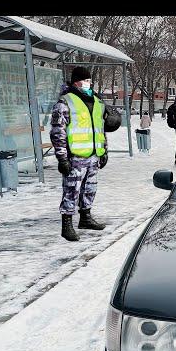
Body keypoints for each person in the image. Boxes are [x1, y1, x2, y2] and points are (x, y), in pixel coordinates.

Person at [50, 66, 111, 241]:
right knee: (71, 190)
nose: (88, 83)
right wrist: (62, 158)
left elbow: (100, 129)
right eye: (85, 80)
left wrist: (104, 150)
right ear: (76, 81)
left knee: (90, 188)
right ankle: (66, 224)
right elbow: (57, 132)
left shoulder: (96, 102)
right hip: (75, 157)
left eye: (89, 81)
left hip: (93, 155)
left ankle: (85, 217)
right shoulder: (65, 102)